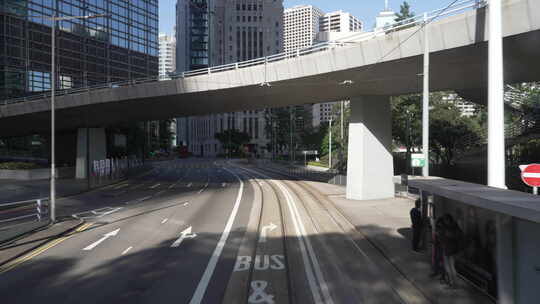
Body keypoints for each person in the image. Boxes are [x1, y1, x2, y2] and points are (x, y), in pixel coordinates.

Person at [441, 214, 464, 288]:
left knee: (451, 267)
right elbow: (443, 236)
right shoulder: (447, 227)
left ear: (448, 220)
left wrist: (451, 235)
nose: (445, 221)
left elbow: (459, 236)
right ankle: (451, 282)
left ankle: (454, 283)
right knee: (448, 267)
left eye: (446, 220)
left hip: (451, 251)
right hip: (447, 249)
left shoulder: (453, 227)